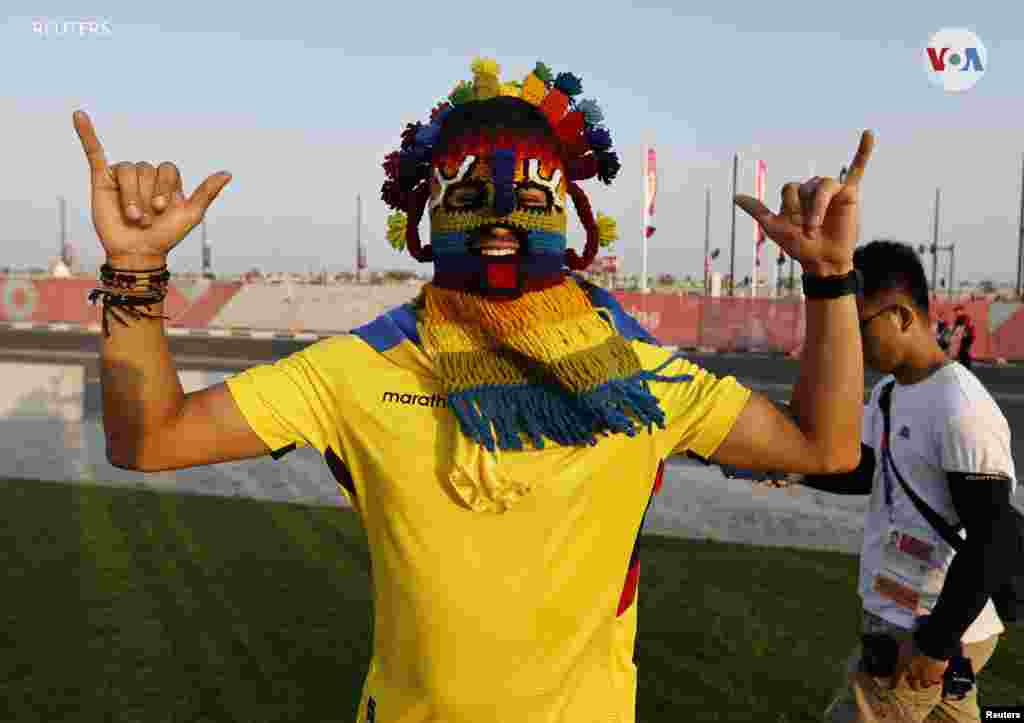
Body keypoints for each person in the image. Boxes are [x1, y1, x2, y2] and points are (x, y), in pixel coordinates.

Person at [72, 57, 873, 721]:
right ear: (423, 217)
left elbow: (825, 447)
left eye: (528, 199)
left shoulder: (639, 373)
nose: (498, 222)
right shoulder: (360, 366)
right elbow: (152, 438)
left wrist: (833, 281)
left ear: (572, 213)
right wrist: (136, 269)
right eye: (467, 197)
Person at [779, 241, 1015, 722]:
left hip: (923, 627)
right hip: (909, 615)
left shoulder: (960, 408)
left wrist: (936, 642)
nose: (850, 343)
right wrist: (797, 468)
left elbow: (995, 536)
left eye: (857, 327)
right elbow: (872, 471)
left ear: (903, 317)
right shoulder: (891, 392)